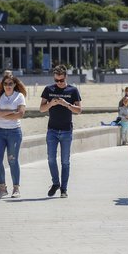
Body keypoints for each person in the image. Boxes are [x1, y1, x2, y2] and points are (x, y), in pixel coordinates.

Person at [39, 65, 83, 198]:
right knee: (51, 159)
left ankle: (64, 189)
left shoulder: (73, 90)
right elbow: (41, 109)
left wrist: (66, 104)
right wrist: (51, 104)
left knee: (65, 161)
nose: (59, 83)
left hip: (66, 131)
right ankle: (56, 183)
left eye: (61, 80)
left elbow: (79, 110)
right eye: (56, 80)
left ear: (66, 77)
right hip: (52, 130)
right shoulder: (48, 89)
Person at [0, 74, 27, 199]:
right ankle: (2, 188)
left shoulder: (19, 96)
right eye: (5, 84)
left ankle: (16, 188)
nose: (8, 86)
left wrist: (1, 114)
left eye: (10, 84)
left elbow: (20, 114)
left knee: (12, 160)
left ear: (15, 84)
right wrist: (11, 112)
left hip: (14, 132)